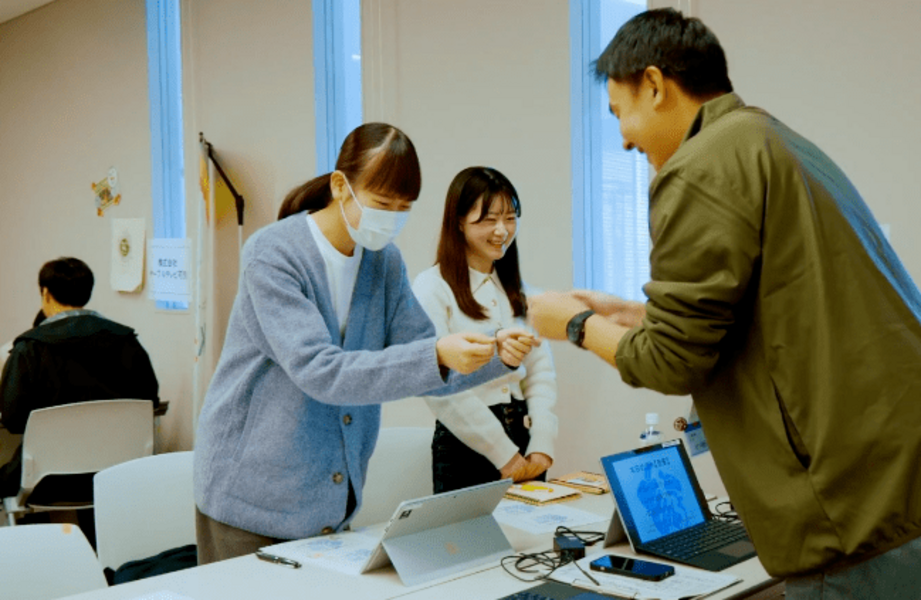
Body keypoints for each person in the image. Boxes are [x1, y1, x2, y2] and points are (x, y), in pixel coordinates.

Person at [527, 8, 921, 597]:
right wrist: (634, 315)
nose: (623, 138)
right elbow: (766, 308)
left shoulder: (700, 165)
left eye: (619, 112)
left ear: (654, 85)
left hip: (853, 514)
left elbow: (670, 363)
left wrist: (576, 324)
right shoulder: (772, 141)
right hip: (896, 480)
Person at [193, 123, 536, 564]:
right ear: (341, 186)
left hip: (331, 499)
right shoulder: (273, 254)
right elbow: (320, 371)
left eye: (403, 208)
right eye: (382, 204)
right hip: (250, 498)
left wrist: (495, 353)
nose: (391, 218)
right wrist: (436, 355)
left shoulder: (383, 261)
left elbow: (424, 359)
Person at [412, 167, 555, 493]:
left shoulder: (518, 290)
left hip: (524, 439)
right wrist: (503, 454)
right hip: (465, 449)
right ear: (459, 222)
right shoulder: (432, 287)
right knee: (470, 530)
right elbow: (439, 385)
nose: (502, 231)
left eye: (510, 218)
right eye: (488, 220)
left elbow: (540, 373)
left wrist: (542, 445)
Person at [0, 257, 160, 499]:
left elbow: (12, 419)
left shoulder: (29, 349)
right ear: (87, 292)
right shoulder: (127, 342)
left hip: (45, 480)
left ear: (45, 293)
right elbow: (149, 402)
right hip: (115, 475)